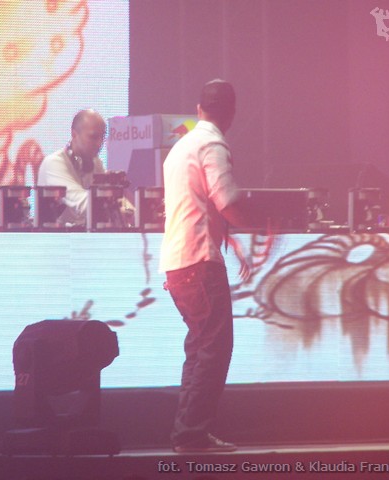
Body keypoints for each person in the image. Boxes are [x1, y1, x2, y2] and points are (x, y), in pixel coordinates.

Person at [160, 79, 250, 453]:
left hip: (177, 263)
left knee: (200, 350)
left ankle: (188, 433)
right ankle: (190, 434)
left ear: (198, 109)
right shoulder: (212, 144)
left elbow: (197, 205)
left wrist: (231, 240)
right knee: (214, 349)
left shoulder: (180, 147)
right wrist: (259, 224)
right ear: (231, 114)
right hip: (199, 262)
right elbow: (226, 200)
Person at [37, 109, 107, 226]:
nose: (100, 143)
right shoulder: (53, 163)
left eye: (102, 137)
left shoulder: (96, 162)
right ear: (74, 135)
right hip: (58, 236)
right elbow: (85, 205)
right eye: (93, 137)